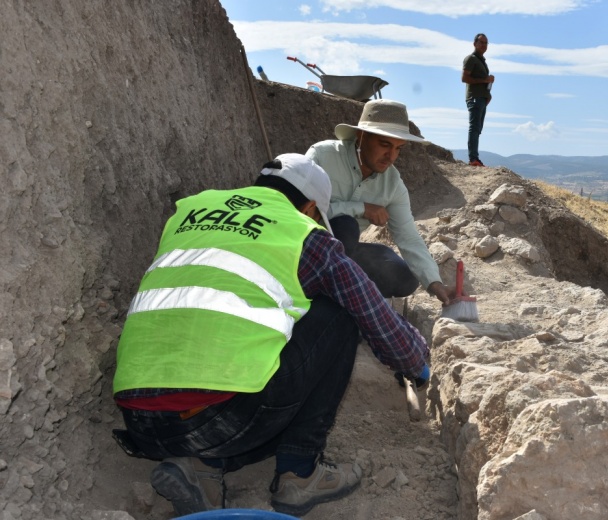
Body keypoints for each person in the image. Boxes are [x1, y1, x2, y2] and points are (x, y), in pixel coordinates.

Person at [111, 153, 430, 517]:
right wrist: (417, 362)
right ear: (311, 208)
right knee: (340, 312)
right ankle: (300, 472)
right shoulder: (301, 232)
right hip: (219, 421)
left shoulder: (190, 210)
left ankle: (203, 468)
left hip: (138, 420)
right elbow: (373, 313)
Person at [305, 99, 457, 305]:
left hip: (345, 255)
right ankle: (328, 296)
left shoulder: (392, 183)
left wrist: (435, 284)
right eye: (384, 145)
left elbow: (408, 236)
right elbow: (299, 214)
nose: (391, 156)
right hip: (304, 250)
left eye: (398, 148)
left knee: (405, 277)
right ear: (361, 136)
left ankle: (342, 288)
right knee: (345, 226)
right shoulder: (323, 157)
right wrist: (360, 209)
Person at [462, 33, 494, 167]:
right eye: (481, 42)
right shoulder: (471, 59)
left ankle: (475, 158)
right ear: (474, 43)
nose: (484, 45)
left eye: (486, 43)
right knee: (474, 128)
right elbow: (464, 78)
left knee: (478, 128)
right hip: (474, 98)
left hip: (481, 98)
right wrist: (485, 80)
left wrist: (487, 93)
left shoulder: (481, 60)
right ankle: (473, 159)